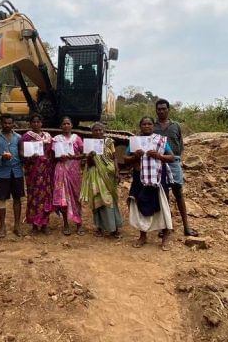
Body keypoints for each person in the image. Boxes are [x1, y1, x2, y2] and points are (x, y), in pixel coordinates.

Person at [125, 116, 175, 251]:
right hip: (140, 177)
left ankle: (165, 236)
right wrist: (135, 156)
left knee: (162, 204)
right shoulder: (135, 141)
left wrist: (159, 156)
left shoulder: (160, 140)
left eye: (149, 124)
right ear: (140, 126)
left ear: (153, 126)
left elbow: (171, 157)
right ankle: (143, 236)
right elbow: (125, 159)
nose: (147, 126)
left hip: (158, 177)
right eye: (144, 124)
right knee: (141, 203)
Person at [154, 99, 198, 237]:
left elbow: (180, 146)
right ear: (156, 111)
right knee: (163, 195)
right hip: (158, 163)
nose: (161, 111)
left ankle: (186, 227)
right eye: (159, 109)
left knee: (178, 193)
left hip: (174, 162)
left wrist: (176, 159)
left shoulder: (176, 126)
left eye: (164, 109)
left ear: (168, 110)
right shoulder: (153, 126)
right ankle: (165, 227)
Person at [80, 122, 122, 238]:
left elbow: (114, 158)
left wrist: (117, 172)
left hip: (108, 175)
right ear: (92, 132)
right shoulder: (89, 144)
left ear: (104, 131)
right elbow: (89, 164)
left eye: (100, 130)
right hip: (95, 175)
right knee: (97, 200)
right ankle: (99, 227)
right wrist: (90, 156)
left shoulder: (109, 142)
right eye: (95, 130)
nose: (98, 132)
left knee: (109, 200)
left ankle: (114, 228)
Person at [0, 114, 25, 238]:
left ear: (13, 123)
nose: (7, 125)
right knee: (2, 199)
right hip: (2, 173)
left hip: (17, 172)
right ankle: (2, 227)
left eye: (10, 123)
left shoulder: (18, 138)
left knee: (17, 199)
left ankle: (17, 226)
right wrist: (1, 158)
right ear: (1, 123)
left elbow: (22, 153)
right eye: (5, 123)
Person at [20, 114, 54, 234]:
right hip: (33, 171)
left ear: (41, 123)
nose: (36, 124)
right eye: (33, 122)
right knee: (33, 197)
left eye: (38, 122)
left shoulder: (48, 137)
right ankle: (34, 225)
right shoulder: (26, 137)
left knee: (46, 197)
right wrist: (29, 155)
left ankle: (44, 224)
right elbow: (21, 152)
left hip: (46, 171)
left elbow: (52, 153)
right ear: (30, 123)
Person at [52, 116, 85, 235]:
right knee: (63, 199)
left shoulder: (77, 139)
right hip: (61, 170)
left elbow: (84, 154)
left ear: (72, 125)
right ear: (60, 126)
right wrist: (58, 157)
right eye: (64, 124)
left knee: (76, 197)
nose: (66, 126)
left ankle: (78, 224)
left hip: (74, 171)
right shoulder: (56, 139)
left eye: (68, 123)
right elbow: (52, 156)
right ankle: (65, 224)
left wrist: (74, 157)